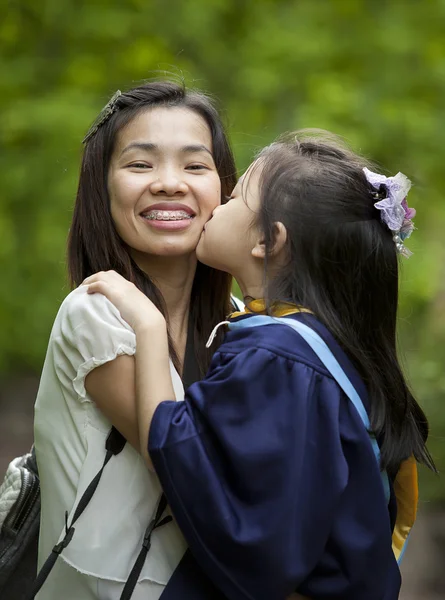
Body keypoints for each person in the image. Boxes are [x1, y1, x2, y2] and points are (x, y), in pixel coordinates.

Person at [84, 131, 435, 600]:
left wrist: (149, 328)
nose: (214, 209)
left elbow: (179, 452)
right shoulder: (320, 348)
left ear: (269, 241)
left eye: (231, 200)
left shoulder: (276, 359)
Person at [33, 80, 238, 600]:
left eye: (195, 166)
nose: (169, 184)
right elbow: (181, 463)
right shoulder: (95, 316)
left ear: (226, 189)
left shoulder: (238, 323)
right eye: (140, 165)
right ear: (102, 189)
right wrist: (148, 327)